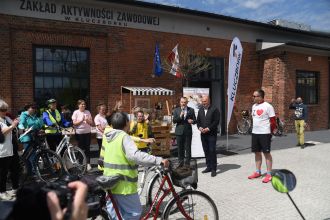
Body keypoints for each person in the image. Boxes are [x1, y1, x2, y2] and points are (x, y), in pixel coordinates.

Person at [102, 112, 169, 220]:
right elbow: (135, 156)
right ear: (126, 124)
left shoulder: (108, 136)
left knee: (114, 215)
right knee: (133, 213)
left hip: (109, 182)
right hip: (124, 186)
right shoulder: (123, 137)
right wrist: (158, 160)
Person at [248, 89, 277, 183]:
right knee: (256, 152)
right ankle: (258, 171)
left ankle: (269, 174)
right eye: (253, 96)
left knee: (266, 153)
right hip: (255, 133)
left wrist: (271, 133)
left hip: (265, 133)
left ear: (260, 97)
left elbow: (273, 121)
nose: (253, 97)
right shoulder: (254, 106)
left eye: (254, 96)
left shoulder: (268, 106)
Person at [0, 99, 20, 200]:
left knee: (15, 169)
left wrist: (18, 125)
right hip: (2, 150)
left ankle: (15, 188)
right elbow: (3, 132)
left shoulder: (7, 118)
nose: (5, 111)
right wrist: (13, 125)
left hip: (12, 148)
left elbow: (15, 128)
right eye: (2, 110)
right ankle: (2, 191)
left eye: (5, 109)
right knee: (3, 172)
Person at [197, 95, 220, 177]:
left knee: (212, 150)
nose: (203, 103)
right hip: (203, 134)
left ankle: (214, 168)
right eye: (202, 101)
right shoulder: (200, 110)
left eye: (205, 101)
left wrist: (208, 128)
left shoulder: (214, 109)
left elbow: (216, 121)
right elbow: (198, 121)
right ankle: (208, 166)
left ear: (209, 101)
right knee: (206, 150)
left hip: (211, 134)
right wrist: (199, 127)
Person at [18, 102, 43, 175]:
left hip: (35, 137)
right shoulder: (24, 115)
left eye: (35, 108)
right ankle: (31, 171)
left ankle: (33, 170)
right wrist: (24, 129)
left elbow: (39, 125)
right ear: (28, 108)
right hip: (26, 137)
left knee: (34, 154)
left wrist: (40, 118)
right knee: (31, 155)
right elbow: (20, 124)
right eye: (32, 108)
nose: (34, 109)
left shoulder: (36, 116)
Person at [173, 97, 196, 166]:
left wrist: (192, 121)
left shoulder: (191, 110)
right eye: (182, 102)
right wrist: (180, 116)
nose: (183, 104)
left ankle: (187, 163)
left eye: (184, 102)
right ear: (180, 102)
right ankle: (180, 162)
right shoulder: (176, 110)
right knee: (180, 148)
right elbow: (174, 121)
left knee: (188, 148)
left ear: (187, 103)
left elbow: (195, 120)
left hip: (188, 132)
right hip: (179, 132)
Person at [72, 100, 93, 171]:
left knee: (87, 148)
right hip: (79, 133)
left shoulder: (88, 112)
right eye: (82, 104)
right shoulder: (76, 112)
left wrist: (87, 120)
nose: (83, 105)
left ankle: (88, 164)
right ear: (78, 105)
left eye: (84, 104)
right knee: (80, 148)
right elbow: (74, 123)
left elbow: (91, 123)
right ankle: (80, 163)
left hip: (87, 132)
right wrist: (81, 120)